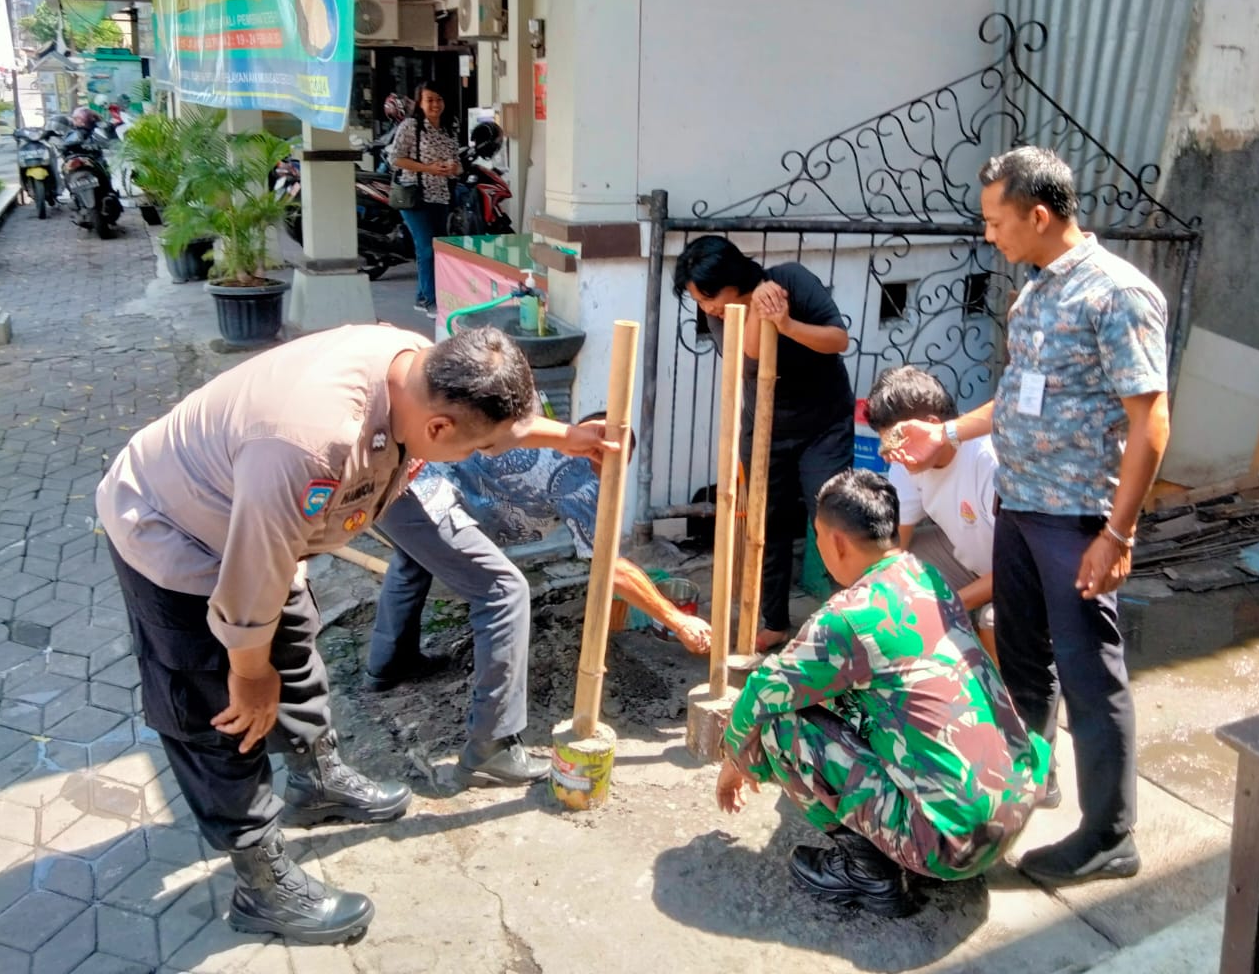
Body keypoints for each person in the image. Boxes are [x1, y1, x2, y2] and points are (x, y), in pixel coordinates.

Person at [96, 325, 612, 945]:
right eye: (485, 448)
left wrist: (570, 436)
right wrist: (249, 674)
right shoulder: (308, 447)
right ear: (441, 431)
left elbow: (501, 424)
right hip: (177, 530)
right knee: (221, 709)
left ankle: (317, 781)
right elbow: (248, 581)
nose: (490, 454)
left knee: (292, 645)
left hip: (263, 524)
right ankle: (260, 881)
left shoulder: (426, 375)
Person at [884, 146, 1171, 886]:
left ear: (1039, 215)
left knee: (1088, 674)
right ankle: (1027, 777)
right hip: (1021, 505)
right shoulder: (1035, 293)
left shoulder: (1117, 295)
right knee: (1022, 659)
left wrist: (1117, 533)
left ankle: (1110, 833)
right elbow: (1013, 402)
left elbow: (1152, 424)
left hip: (1076, 520)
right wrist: (943, 432)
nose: (990, 236)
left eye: (996, 221)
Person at [715, 470, 1047, 916]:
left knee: (779, 726)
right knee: (835, 696)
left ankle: (866, 871)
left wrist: (733, 760)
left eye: (816, 536)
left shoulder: (848, 619)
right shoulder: (926, 575)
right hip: (1015, 805)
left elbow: (761, 692)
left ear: (835, 542)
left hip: (954, 846)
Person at [366, 414, 713, 784]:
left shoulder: (559, 441)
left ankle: (389, 664)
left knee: (413, 559)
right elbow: (610, 566)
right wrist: (677, 620)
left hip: (397, 482)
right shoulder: (581, 475)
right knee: (505, 591)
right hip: (425, 490)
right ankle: (492, 747)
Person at [673, 236, 855, 651]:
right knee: (766, 523)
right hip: (765, 427)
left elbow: (837, 340)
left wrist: (787, 323)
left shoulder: (792, 279)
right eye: (698, 301)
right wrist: (758, 307)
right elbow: (751, 357)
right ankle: (774, 622)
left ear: (734, 279)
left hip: (822, 425)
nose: (707, 309)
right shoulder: (724, 315)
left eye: (709, 297)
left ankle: (846, 625)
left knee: (830, 517)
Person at [864, 365, 1000, 665]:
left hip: (1022, 573)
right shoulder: (905, 460)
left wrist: (947, 607)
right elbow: (895, 545)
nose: (890, 456)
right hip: (969, 564)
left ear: (931, 425)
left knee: (993, 621)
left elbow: (1019, 565)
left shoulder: (987, 460)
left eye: (896, 442)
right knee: (885, 571)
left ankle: (1004, 702)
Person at [388, 80, 458, 316]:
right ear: (420, 102)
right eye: (430, 100)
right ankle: (431, 300)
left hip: (441, 196)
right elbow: (395, 158)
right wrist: (427, 168)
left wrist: (453, 169)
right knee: (427, 248)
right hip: (414, 196)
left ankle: (421, 296)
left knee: (438, 248)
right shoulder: (411, 126)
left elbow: (457, 163)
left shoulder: (449, 128)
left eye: (439, 100)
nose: (435, 104)